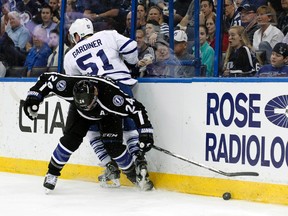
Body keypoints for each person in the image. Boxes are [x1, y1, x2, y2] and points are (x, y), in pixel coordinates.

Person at [22, 72, 154, 192]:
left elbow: (137, 109)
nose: (88, 108)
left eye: (89, 105)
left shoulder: (112, 97)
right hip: (79, 113)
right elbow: (45, 79)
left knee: (114, 148)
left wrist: (145, 132)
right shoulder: (67, 86)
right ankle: (52, 173)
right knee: (69, 141)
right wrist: (34, 97)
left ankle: (133, 175)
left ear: (95, 94)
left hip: (108, 114)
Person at [64, 18, 149, 188]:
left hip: (97, 96)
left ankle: (109, 165)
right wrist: (132, 63)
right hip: (122, 86)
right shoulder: (107, 35)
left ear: (76, 35)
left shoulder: (70, 55)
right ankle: (139, 160)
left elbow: (75, 86)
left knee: (94, 130)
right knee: (130, 126)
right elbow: (131, 47)